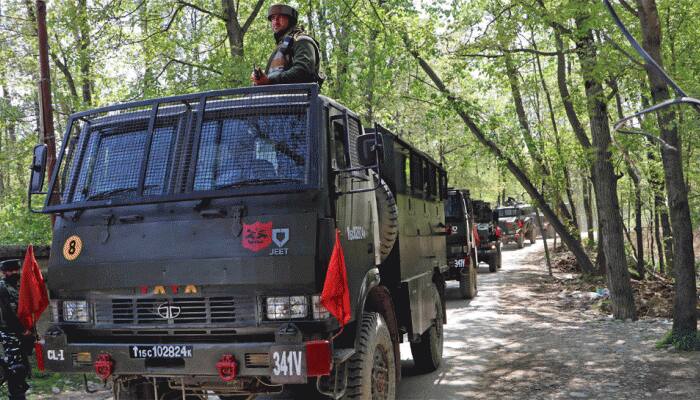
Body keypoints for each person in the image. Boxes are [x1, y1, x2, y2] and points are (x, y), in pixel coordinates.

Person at [251, 4, 324, 86]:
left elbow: (303, 71)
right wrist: (260, 79)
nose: (276, 21)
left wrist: (269, 80)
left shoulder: (302, 40)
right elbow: (273, 78)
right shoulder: (280, 47)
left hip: (299, 97)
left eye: (280, 17)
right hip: (277, 97)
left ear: (290, 20)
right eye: (273, 18)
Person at [0, 259, 31, 400]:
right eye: (11, 271)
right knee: (16, 367)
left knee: (21, 366)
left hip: (20, 332)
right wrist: (21, 330)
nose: (15, 273)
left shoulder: (17, 286)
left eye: (16, 270)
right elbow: (7, 313)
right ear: (4, 272)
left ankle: (19, 395)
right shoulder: (2, 288)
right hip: (9, 332)